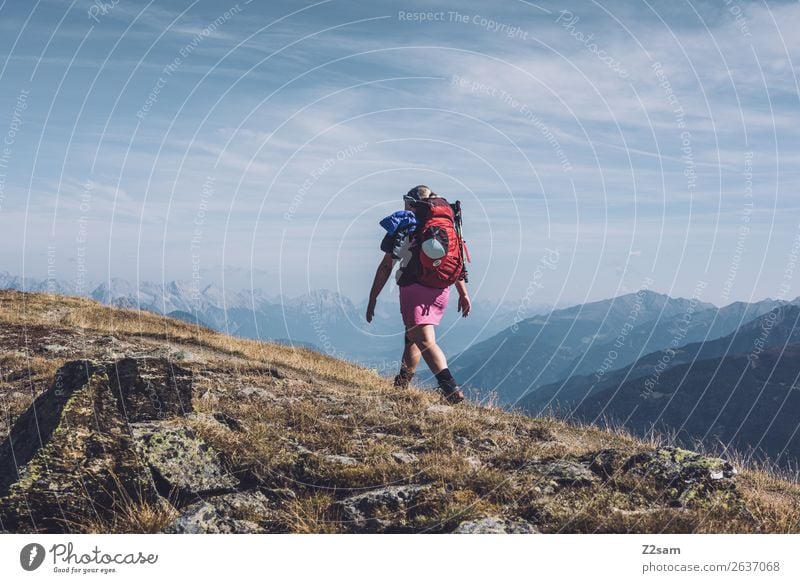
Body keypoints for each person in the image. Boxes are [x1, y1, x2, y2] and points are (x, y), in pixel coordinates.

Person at [365, 185, 471, 404]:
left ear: (411, 202)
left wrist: (373, 297)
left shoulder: (406, 223)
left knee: (424, 341)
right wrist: (463, 293)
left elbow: (386, 265)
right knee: (411, 338)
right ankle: (401, 386)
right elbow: (453, 259)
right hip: (442, 289)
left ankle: (451, 389)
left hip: (415, 288)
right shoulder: (445, 223)